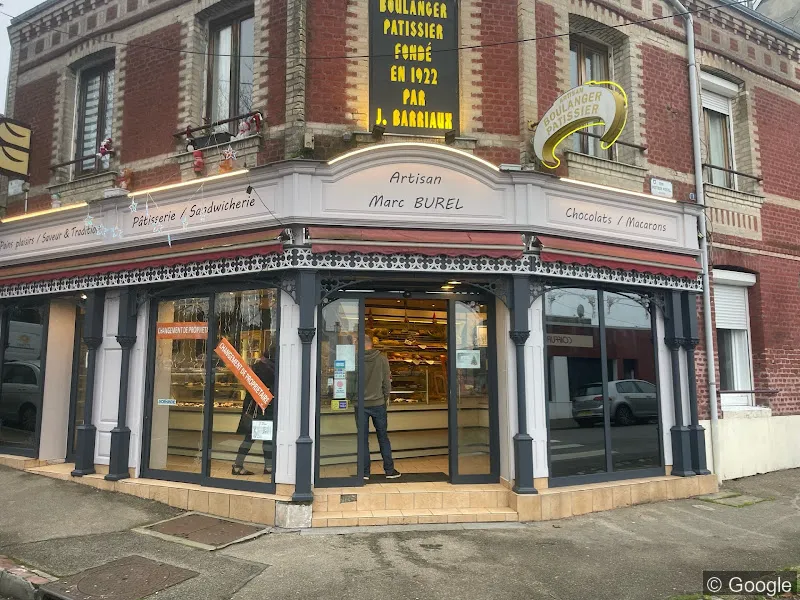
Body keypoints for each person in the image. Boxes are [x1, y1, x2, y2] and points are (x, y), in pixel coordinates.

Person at [361, 332, 401, 480]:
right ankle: (389, 470)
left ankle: (364, 472)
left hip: (361, 405)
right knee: (383, 437)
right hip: (378, 403)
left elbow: (352, 381)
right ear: (371, 343)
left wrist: (355, 398)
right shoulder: (382, 359)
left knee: (363, 439)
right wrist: (384, 398)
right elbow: (386, 383)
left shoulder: (357, 359)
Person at [232, 344, 276, 476]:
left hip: (254, 407)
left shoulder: (256, 367)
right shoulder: (272, 369)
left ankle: (238, 465)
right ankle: (266, 467)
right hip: (265, 408)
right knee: (266, 438)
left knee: (251, 437)